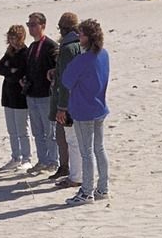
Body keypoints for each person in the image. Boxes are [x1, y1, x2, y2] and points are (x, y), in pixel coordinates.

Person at [61, 18, 109, 205]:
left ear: (88, 37)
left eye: (81, 34)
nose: (78, 37)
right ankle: (103, 188)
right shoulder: (103, 54)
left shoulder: (83, 59)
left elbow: (66, 80)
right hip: (99, 107)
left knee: (87, 151)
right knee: (99, 148)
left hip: (84, 109)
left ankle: (87, 192)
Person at [50, 11, 83, 189]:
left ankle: (76, 177)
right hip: (82, 98)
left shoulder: (69, 47)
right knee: (82, 140)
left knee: (73, 140)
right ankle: (79, 174)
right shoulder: (82, 44)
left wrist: (62, 106)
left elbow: (66, 80)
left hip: (70, 101)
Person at [23, 12, 58, 175]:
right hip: (32, 94)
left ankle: (53, 161)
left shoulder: (50, 45)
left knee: (50, 131)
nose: (31, 28)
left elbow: (58, 69)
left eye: (34, 24)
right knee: (37, 131)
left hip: (46, 95)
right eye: (29, 24)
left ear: (43, 25)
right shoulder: (31, 47)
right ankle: (43, 160)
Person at [0, 24, 32, 170]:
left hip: (20, 96)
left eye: (15, 37)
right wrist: (10, 70)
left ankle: (26, 158)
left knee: (22, 129)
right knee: (12, 130)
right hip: (8, 94)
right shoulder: (9, 52)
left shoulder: (25, 52)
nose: (13, 40)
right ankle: (15, 157)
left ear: (22, 37)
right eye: (10, 37)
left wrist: (10, 71)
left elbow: (20, 73)